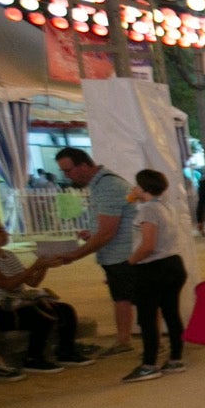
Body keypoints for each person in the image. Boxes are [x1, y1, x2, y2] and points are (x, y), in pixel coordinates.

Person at [52, 147, 138, 357]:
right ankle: (125, 339)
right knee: (125, 298)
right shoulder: (102, 184)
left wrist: (75, 254)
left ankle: (126, 341)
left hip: (122, 254)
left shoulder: (108, 185)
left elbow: (108, 232)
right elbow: (106, 228)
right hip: (119, 253)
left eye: (68, 170)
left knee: (127, 298)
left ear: (83, 166)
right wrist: (92, 233)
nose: (66, 176)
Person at [0, 216, 92, 372]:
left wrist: (44, 265)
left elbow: (32, 282)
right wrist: (35, 266)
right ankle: (33, 357)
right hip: (0, 307)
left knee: (65, 310)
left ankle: (65, 351)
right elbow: (7, 284)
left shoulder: (8, 255)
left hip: (17, 302)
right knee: (40, 315)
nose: (5, 233)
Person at [119, 169, 192, 382]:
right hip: (173, 264)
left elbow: (147, 245)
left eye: (136, 185)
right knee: (171, 312)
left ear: (143, 187)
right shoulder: (166, 207)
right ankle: (175, 358)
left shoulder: (148, 211)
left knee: (148, 317)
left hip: (153, 268)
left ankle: (149, 364)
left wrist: (129, 263)